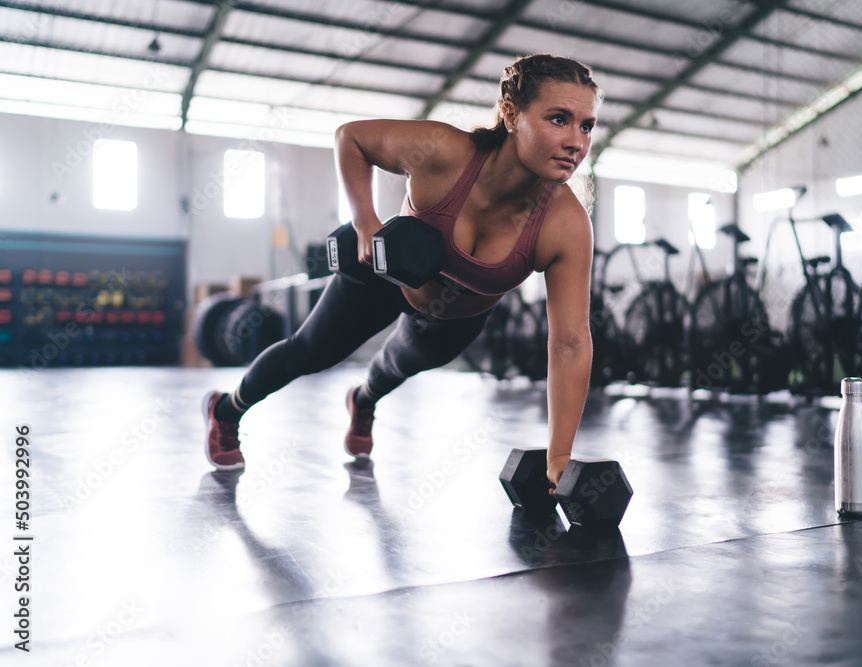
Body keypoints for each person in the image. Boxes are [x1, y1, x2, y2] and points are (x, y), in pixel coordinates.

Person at [203, 53, 601, 490]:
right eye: (559, 119)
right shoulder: (445, 152)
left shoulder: (564, 224)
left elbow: (570, 342)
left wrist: (559, 456)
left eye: (587, 125)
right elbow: (350, 138)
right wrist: (364, 223)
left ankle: (363, 400)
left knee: (393, 368)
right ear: (511, 114)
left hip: (451, 319)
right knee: (309, 352)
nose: (577, 142)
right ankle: (226, 410)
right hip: (383, 277)